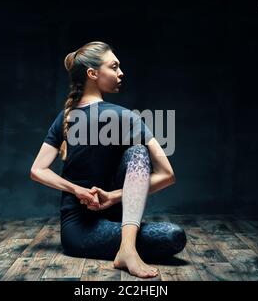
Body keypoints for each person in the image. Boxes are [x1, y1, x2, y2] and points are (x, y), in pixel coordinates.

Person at [30, 41, 186, 278]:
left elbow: (37, 170)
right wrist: (80, 191)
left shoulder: (66, 115)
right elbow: (167, 174)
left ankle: (127, 247)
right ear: (92, 74)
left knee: (137, 152)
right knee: (173, 236)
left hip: (80, 232)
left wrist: (111, 197)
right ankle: (128, 249)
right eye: (114, 67)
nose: (121, 73)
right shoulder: (124, 116)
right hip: (82, 230)